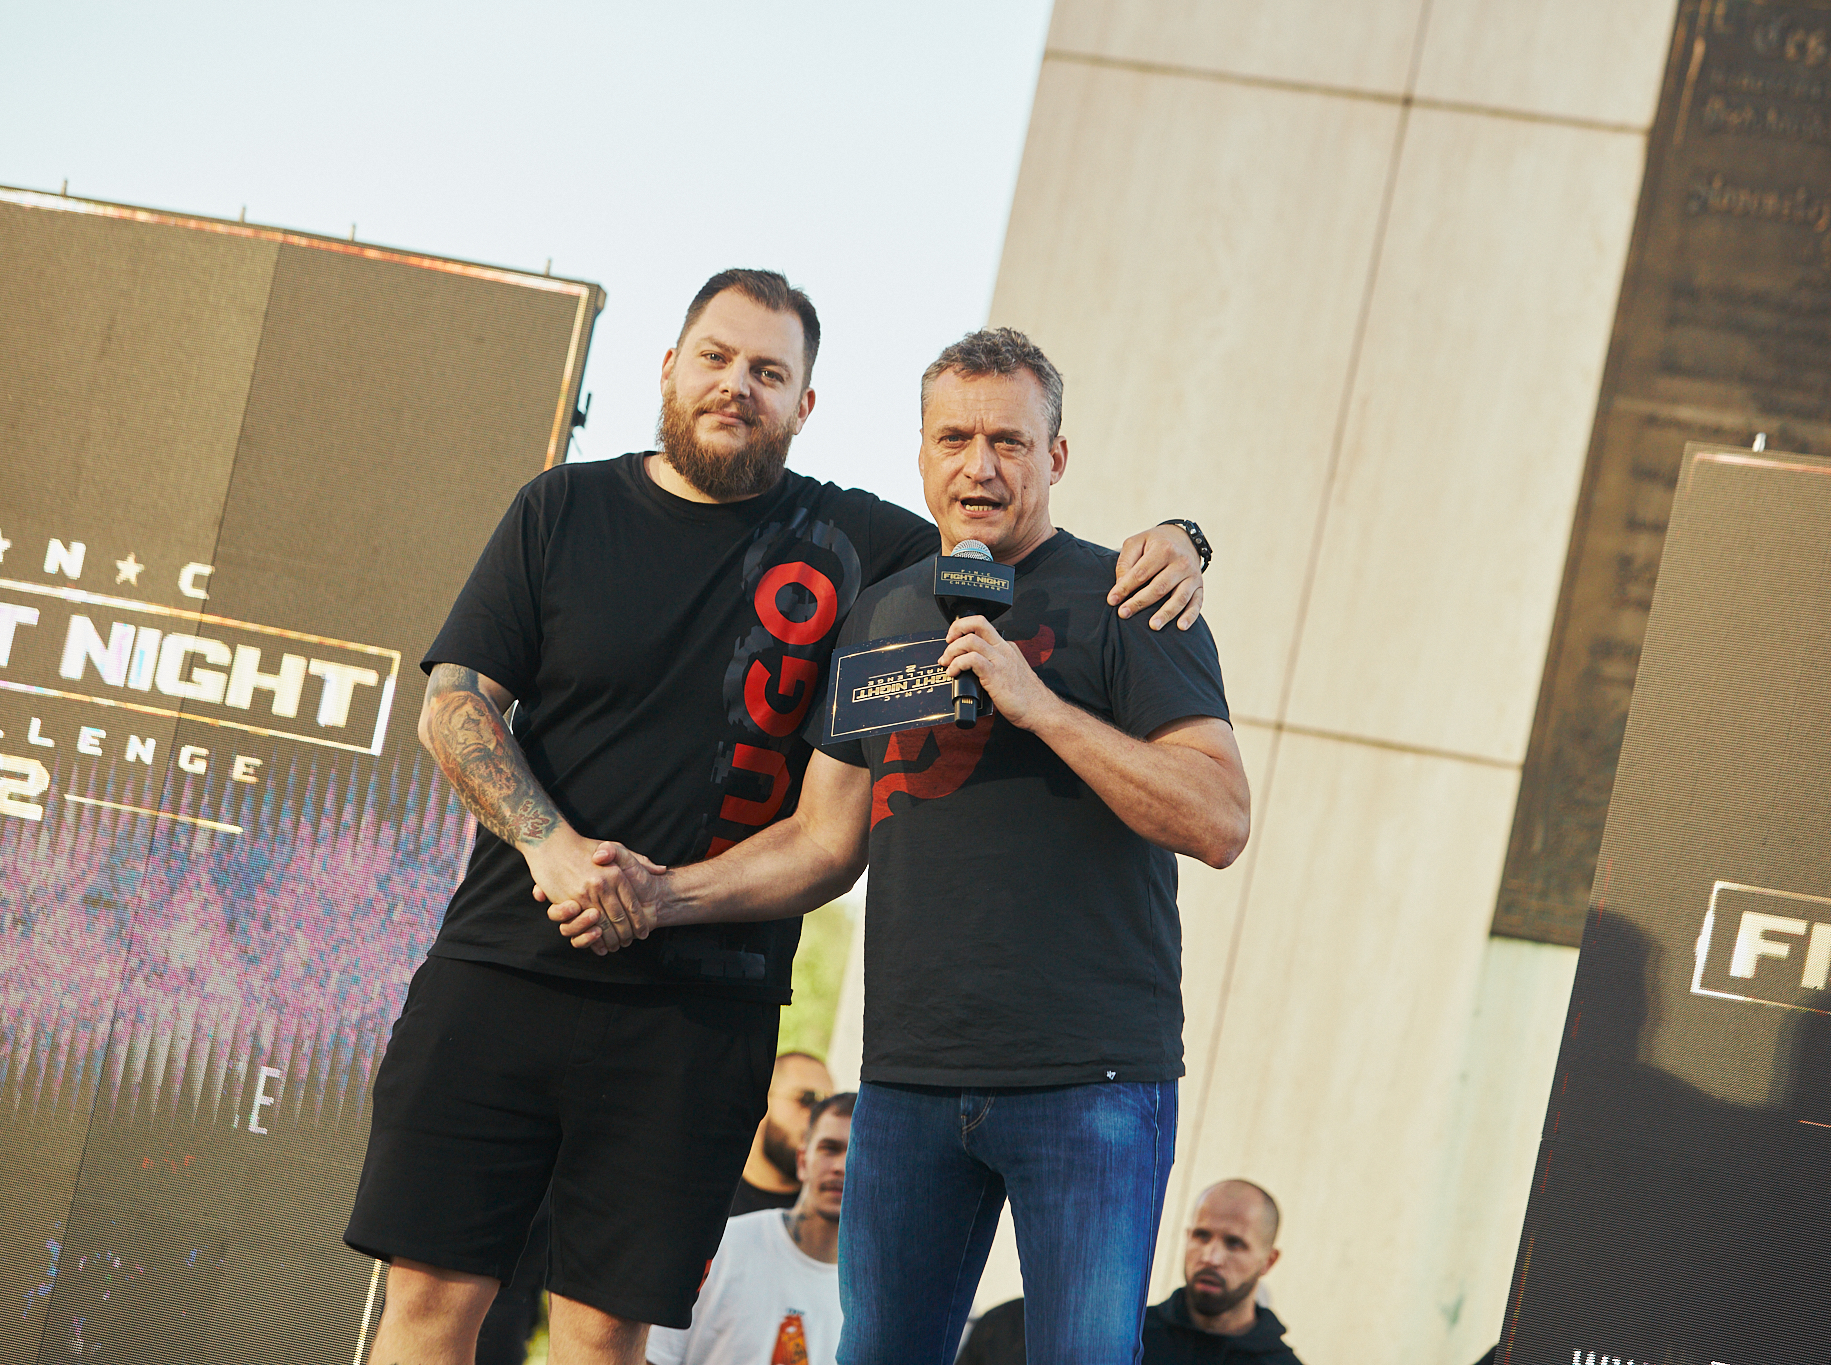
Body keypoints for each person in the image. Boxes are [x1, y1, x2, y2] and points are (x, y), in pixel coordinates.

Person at [344, 268, 1210, 1365]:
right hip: (506, 965)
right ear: (670, 367)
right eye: (715, 358)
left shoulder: (874, 552)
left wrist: (1183, 535)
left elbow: (1012, 530)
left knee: (602, 1335)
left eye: (768, 371)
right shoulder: (565, 508)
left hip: (705, 1011)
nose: (735, 386)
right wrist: (553, 850)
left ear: (805, 403)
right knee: (428, 1307)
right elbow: (456, 705)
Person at [555, 326, 1250, 1365]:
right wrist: (664, 895)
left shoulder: (1131, 598)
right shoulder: (881, 613)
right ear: (920, 453)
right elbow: (822, 842)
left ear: (1056, 457)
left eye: (1010, 442)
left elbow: (1219, 817)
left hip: (1093, 1081)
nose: (980, 467)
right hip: (908, 1080)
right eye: (954, 439)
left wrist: (1039, 707)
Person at [648, 1092, 854, 1365]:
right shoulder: (720, 1247)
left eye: (858, 1153)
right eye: (829, 1148)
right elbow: (654, 1356)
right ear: (803, 1160)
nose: (841, 1166)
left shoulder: (878, 1293)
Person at [1139, 1180, 1302, 1364]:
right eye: (1202, 1236)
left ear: (1268, 1261)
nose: (1211, 1258)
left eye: (1234, 1243)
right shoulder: (1130, 1339)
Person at [733, 1051, 834, 1215]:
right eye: (807, 1099)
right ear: (759, 1102)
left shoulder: (835, 1214)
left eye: (827, 1106)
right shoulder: (707, 1192)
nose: (819, 1117)